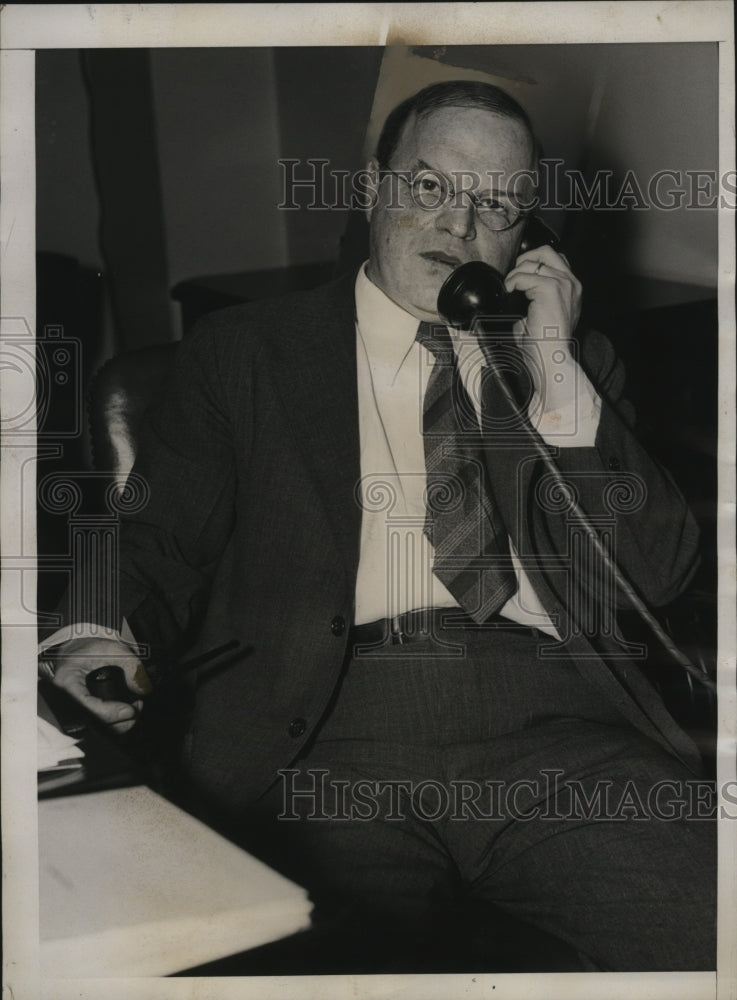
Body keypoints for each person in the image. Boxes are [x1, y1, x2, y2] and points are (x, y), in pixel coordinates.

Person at [44, 80, 716, 972]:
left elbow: (659, 572)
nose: (461, 226)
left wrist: (558, 374)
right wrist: (93, 636)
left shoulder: (572, 364)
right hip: (322, 731)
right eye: (431, 187)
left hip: (563, 729)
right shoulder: (248, 352)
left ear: (527, 237)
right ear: (374, 188)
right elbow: (152, 536)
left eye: (498, 205)